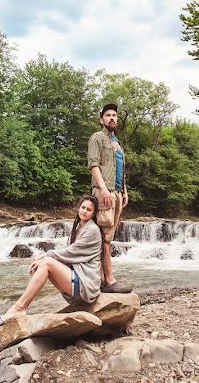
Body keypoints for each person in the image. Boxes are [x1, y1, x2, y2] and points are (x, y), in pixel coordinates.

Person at [0, 195, 104, 324]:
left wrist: (46, 255)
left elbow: (71, 252)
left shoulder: (92, 230)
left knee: (46, 262)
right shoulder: (79, 227)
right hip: (77, 280)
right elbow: (68, 256)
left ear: (93, 213)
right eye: (83, 207)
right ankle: (21, 307)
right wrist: (44, 259)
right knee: (44, 263)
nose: (84, 211)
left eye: (89, 209)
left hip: (86, 285)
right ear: (79, 208)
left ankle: (19, 308)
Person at [88, 103, 133, 293]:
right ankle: (108, 280)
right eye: (108, 115)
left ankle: (101, 279)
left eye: (114, 115)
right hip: (104, 192)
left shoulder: (118, 143)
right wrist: (104, 189)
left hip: (116, 194)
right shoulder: (97, 138)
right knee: (103, 235)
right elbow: (93, 165)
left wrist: (124, 190)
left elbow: (119, 169)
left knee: (108, 237)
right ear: (101, 120)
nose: (112, 118)